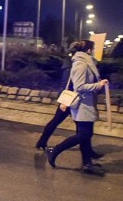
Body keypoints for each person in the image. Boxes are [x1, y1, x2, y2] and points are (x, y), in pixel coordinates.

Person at [46, 40, 109, 176]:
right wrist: (98, 85)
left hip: (87, 104)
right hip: (82, 105)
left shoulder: (87, 62)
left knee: (86, 135)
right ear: (88, 50)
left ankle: (87, 163)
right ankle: (54, 151)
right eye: (93, 49)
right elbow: (79, 86)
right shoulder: (81, 64)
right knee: (84, 135)